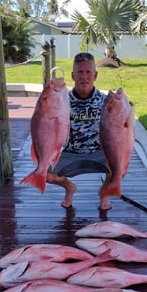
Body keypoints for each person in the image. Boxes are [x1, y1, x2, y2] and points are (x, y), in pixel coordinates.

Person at [46, 52, 111, 209]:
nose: (84, 77)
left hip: (99, 153)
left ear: (95, 75)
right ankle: (70, 187)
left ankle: (104, 192)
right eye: (80, 72)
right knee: (46, 174)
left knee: (119, 167)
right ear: (73, 76)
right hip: (70, 153)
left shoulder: (107, 101)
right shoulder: (61, 101)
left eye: (88, 72)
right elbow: (47, 125)